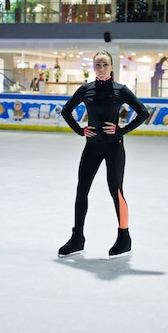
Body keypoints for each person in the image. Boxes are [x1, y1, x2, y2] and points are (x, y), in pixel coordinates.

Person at [58, 50, 150, 258]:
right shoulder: (86, 90)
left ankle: (124, 238)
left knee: (116, 191)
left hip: (113, 146)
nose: (101, 68)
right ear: (93, 67)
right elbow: (66, 111)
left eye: (104, 65)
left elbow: (143, 112)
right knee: (82, 190)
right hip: (92, 146)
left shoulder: (120, 90)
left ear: (111, 67)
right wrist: (80, 130)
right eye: (97, 65)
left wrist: (121, 130)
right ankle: (77, 238)